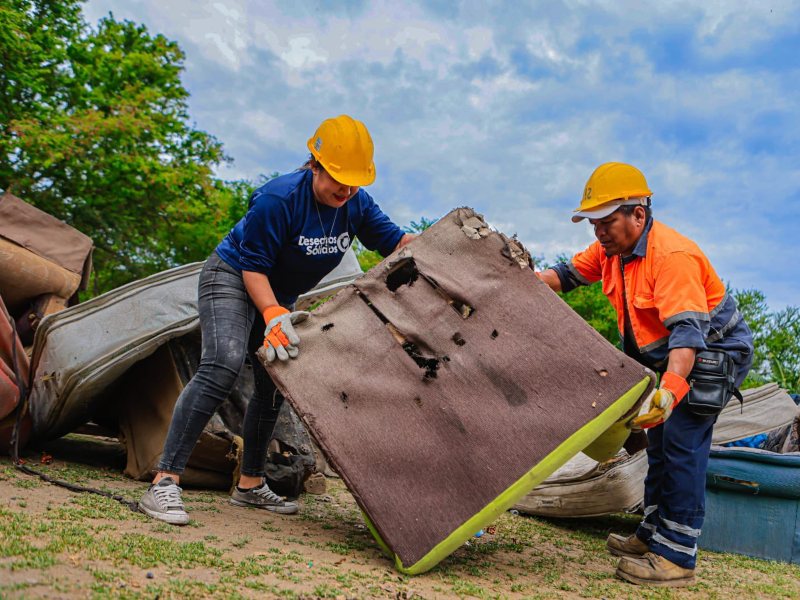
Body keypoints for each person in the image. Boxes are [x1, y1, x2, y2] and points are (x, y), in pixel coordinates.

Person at [140, 115, 414, 525]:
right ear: (315, 165)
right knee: (223, 363)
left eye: (356, 180)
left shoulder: (356, 204)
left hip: (279, 296)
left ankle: (250, 485)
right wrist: (271, 314)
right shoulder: (279, 198)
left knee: (275, 380)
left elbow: (398, 244)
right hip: (233, 277)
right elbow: (253, 266)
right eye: (339, 177)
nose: (347, 188)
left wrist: (448, 245)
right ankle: (164, 481)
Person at [537, 162, 754, 587]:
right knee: (656, 443)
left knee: (681, 445)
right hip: (667, 357)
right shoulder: (611, 250)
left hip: (708, 354)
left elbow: (688, 335)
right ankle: (651, 535)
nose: (598, 231)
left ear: (639, 213)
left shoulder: (671, 257)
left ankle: (676, 557)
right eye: (593, 222)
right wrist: (517, 279)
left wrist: (671, 390)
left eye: (608, 221)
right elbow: (565, 276)